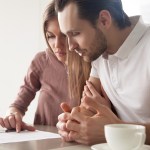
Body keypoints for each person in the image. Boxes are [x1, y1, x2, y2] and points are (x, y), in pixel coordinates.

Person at [55, 0, 150, 145]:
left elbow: (104, 127)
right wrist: (73, 123)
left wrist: (112, 130)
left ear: (104, 20)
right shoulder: (99, 54)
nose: (70, 46)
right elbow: (88, 108)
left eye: (75, 33)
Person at [0, 0, 87, 132]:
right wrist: (12, 115)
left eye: (63, 36)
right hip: (44, 141)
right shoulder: (41, 60)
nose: (57, 45)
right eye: (50, 36)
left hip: (78, 141)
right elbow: (17, 105)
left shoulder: (93, 64)